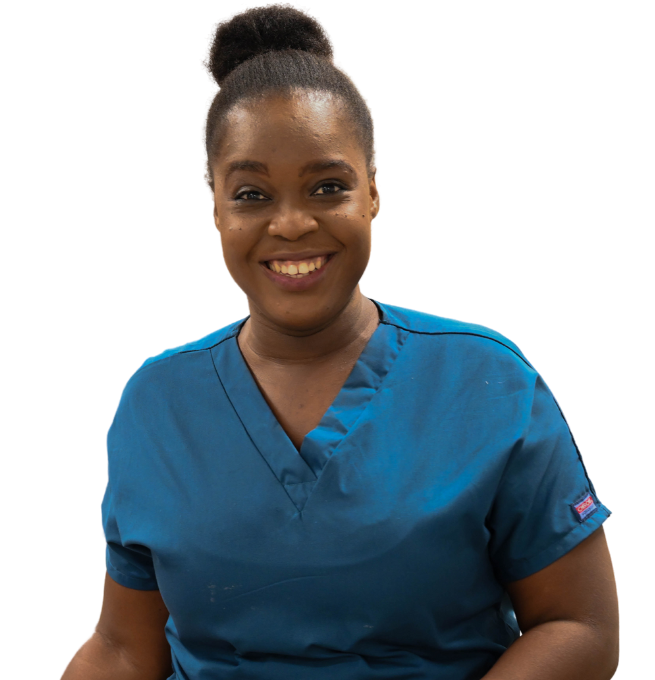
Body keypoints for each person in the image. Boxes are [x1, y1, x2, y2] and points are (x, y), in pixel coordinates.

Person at [62, 3, 618, 679]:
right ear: (214, 206)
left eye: (328, 187)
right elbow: (125, 647)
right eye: (251, 194)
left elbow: (579, 628)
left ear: (374, 194)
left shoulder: (486, 379)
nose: (291, 223)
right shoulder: (157, 401)